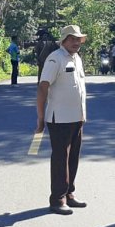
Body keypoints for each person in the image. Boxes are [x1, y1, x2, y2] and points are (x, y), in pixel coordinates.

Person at [35, 25, 88, 215]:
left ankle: (69, 193)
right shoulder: (55, 58)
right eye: (72, 39)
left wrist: (83, 115)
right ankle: (57, 199)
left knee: (73, 157)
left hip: (77, 117)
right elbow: (43, 87)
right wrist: (41, 117)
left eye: (78, 39)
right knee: (60, 159)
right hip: (59, 119)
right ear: (64, 40)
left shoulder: (77, 58)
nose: (76, 43)